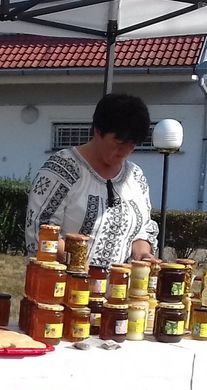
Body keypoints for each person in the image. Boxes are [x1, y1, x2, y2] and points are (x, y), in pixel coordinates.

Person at [26, 93, 159, 267]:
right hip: (64, 286)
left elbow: (143, 228)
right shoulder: (63, 169)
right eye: (119, 143)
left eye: (132, 145)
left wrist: (142, 253)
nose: (125, 151)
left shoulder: (135, 176)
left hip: (118, 290)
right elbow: (40, 231)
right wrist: (78, 264)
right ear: (97, 131)